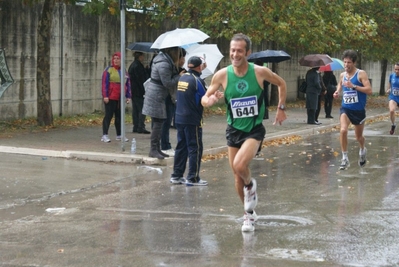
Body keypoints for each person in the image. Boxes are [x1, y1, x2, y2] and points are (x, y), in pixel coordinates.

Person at [201, 33, 287, 232]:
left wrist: (281, 108)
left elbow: (281, 83)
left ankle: (251, 186)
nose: (235, 54)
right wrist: (210, 101)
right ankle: (248, 215)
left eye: (239, 50)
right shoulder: (222, 75)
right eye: (232, 50)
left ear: (247, 52)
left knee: (240, 165)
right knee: (236, 175)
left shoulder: (259, 72)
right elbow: (204, 98)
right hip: (233, 130)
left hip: (254, 130)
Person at [170, 56, 220, 186]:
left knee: (181, 146)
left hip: (179, 117)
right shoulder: (198, 81)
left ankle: (176, 175)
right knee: (195, 148)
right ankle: (193, 177)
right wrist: (214, 97)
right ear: (199, 67)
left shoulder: (183, 78)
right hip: (192, 119)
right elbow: (205, 99)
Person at [142, 47, 184, 159]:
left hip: (158, 94)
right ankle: (153, 149)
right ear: (173, 52)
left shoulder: (164, 60)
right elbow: (168, 82)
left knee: (159, 122)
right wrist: (179, 77)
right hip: (156, 95)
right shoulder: (164, 63)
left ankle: (157, 148)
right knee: (158, 122)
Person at [333, 49, 372, 170]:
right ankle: (344, 158)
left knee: (358, 137)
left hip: (358, 110)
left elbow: (369, 90)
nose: (346, 65)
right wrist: (337, 91)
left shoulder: (361, 74)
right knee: (343, 130)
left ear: (354, 63)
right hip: (346, 109)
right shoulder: (342, 75)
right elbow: (340, 83)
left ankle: (362, 149)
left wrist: (354, 86)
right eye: (345, 62)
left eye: (349, 62)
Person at [161, 48, 187, 155]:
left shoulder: (175, 67)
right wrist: (179, 76)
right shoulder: (166, 64)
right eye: (182, 57)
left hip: (171, 96)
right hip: (166, 96)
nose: (184, 60)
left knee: (167, 121)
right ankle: (165, 146)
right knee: (165, 122)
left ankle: (165, 145)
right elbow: (168, 82)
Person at [101, 51, 131, 143]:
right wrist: (105, 96)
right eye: (115, 58)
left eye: (118, 59)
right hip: (111, 97)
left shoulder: (124, 71)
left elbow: (128, 84)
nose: (116, 60)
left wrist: (128, 96)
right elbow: (104, 84)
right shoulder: (108, 70)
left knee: (119, 117)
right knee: (108, 116)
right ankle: (105, 135)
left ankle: (119, 134)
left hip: (120, 97)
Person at [128, 51, 150, 134]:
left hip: (133, 90)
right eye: (143, 56)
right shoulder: (138, 66)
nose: (143, 57)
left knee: (136, 109)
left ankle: (136, 126)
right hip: (139, 91)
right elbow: (141, 79)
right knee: (141, 109)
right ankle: (141, 126)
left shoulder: (133, 65)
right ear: (140, 56)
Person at [386, 63, 399, 135]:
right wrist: (388, 89)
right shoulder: (391, 76)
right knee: (391, 110)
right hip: (393, 97)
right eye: (395, 69)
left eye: (398, 70)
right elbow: (389, 85)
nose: (396, 71)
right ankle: (393, 125)